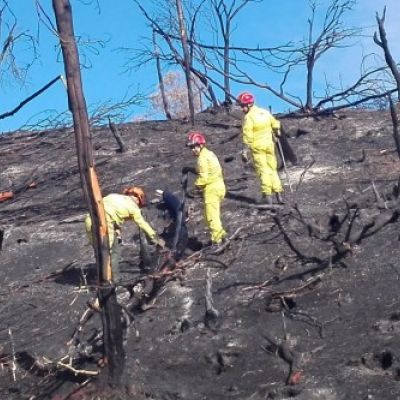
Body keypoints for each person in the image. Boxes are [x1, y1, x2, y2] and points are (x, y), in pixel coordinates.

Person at [84, 186, 165, 283]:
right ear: (138, 198)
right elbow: (142, 224)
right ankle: (113, 281)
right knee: (111, 253)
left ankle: (102, 278)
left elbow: (108, 211)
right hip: (104, 224)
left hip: (89, 220)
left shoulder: (113, 196)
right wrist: (155, 238)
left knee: (99, 252)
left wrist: (117, 231)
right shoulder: (133, 207)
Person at [237, 92, 284, 205]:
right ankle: (279, 195)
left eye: (243, 106)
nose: (242, 109)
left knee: (263, 171)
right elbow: (275, 123)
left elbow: (247, 135)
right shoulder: (265, 112)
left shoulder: (249, 117)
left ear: (249, 104)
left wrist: (244, 151)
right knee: (272, 169)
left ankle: (267, 197)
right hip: (269, 146)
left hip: (258, 148)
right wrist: (276, 132)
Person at [182, 131, 227, 248]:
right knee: (211, 216)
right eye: (191, 147)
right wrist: (191, 169)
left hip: (212, 190)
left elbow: (204, 178)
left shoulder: (202, 158)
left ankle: (217, 243)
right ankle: (223, 237)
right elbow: (206, 170)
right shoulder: (210, 154)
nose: (193, 150)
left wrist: (195, 187)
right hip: (219, 186)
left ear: (201, 145)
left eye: (194, 147)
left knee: (211, 217)